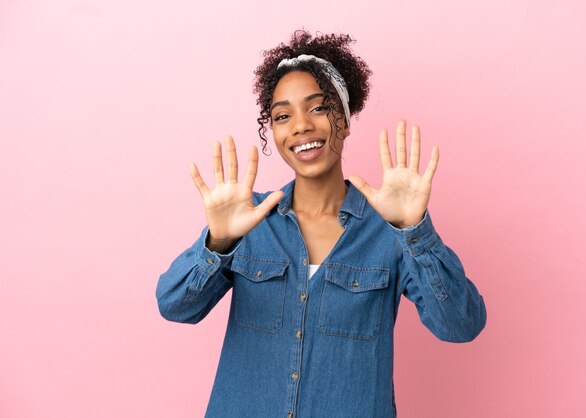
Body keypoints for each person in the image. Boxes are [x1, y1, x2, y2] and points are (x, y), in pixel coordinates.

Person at [156, 30, 486, 418]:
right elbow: (175, 306)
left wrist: (415, 233)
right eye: (282, 116)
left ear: (344, 121)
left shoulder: (391, 229)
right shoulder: (248, 220)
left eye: (316, 108)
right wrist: (218, 243)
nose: (299, 126)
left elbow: (462, 325)